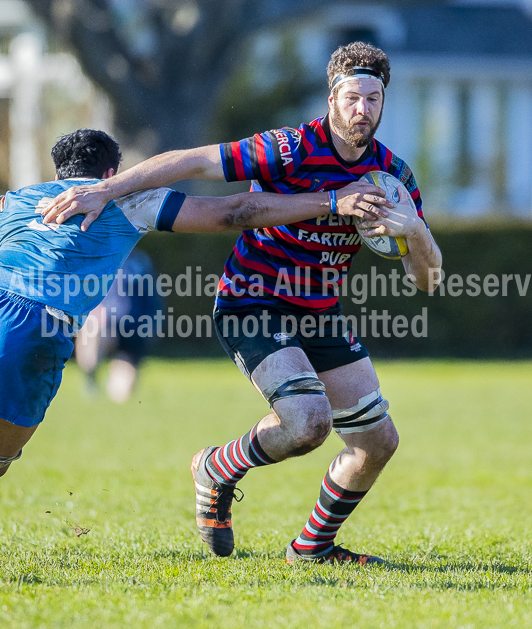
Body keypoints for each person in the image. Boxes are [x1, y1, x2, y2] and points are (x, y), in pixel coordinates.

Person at [0, 128, 388, 563]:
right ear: (112, 173)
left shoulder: (16, 200)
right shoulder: (128, 199)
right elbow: (233, 212)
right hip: (30, 320)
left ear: (59, 172)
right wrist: (332, 201)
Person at [42, 43, 443, 565]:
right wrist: (106, 190)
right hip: (252, 299)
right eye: (351, 97)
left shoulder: (394, 177)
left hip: (319, 310)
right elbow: (193, 160)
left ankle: (311, 548)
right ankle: (215, 467)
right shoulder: (291, 148)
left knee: (378, 442)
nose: (361, 109)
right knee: (308, 424)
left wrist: (415, 232)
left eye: (373, 98)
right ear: (332, 97)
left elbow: (428, 281)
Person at [75, 249, 161, 402]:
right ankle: (91, 375)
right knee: (91, 327)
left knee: (121, 395)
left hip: (135, 329)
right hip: (106, 324)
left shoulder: (141, 261)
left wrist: (154, 323)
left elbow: (153, 297)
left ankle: (114, 376)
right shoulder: (101, 255)